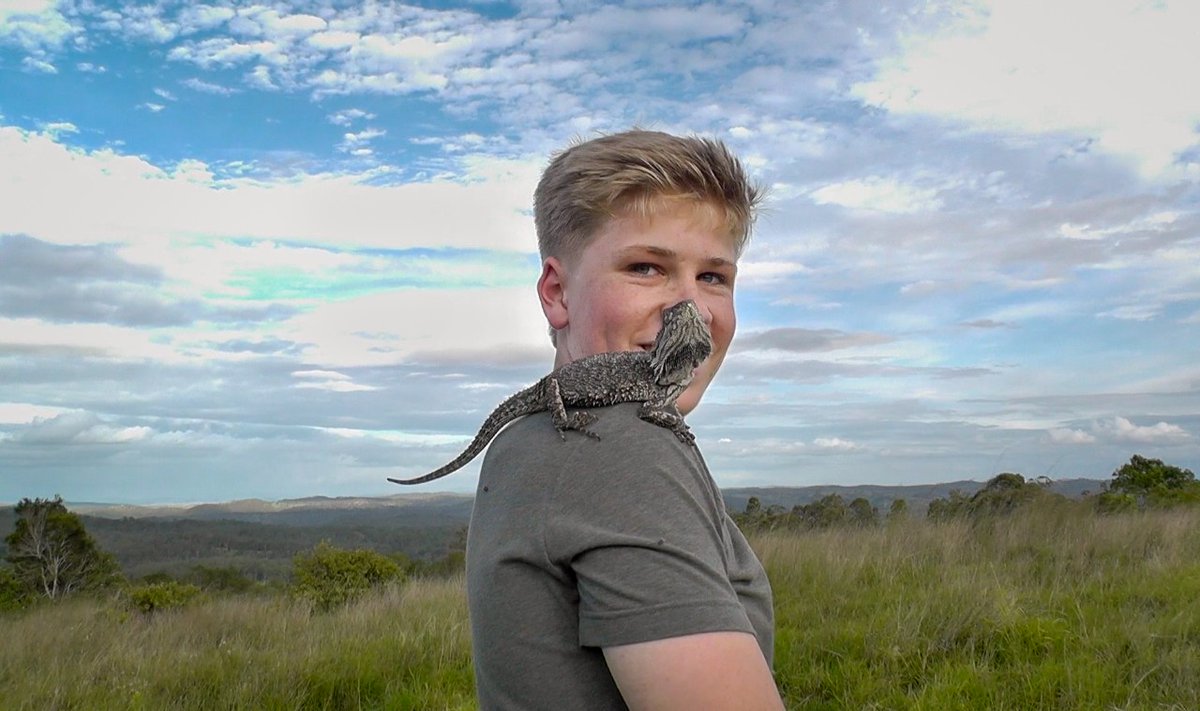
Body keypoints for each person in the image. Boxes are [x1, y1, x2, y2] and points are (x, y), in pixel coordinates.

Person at [466, 129, 782, 710]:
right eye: (645, 268)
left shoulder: (523, 443)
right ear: (557, 292)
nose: (690, 308)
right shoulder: (626, 445)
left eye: (713, 277)